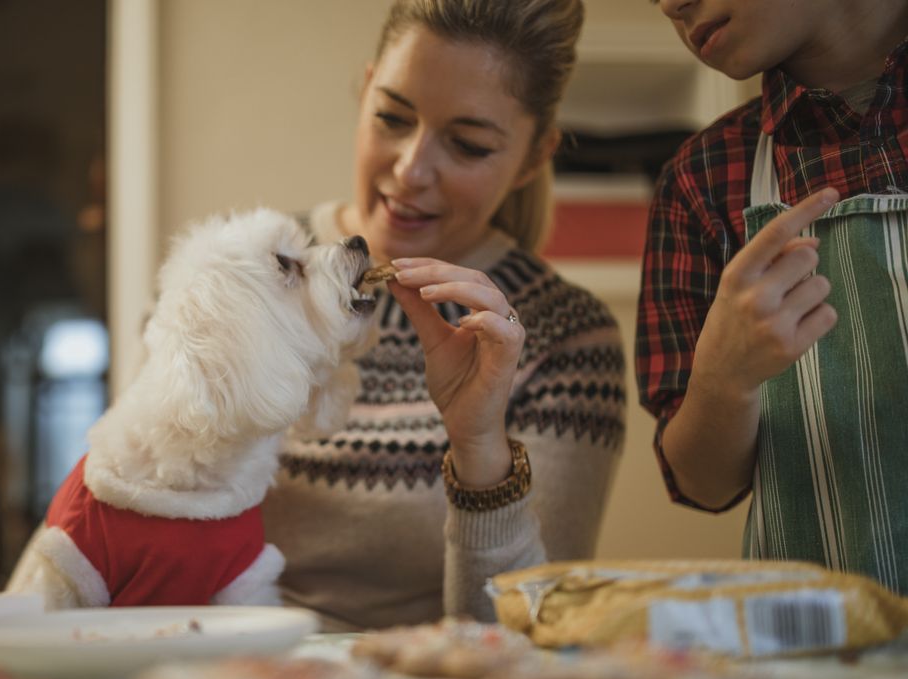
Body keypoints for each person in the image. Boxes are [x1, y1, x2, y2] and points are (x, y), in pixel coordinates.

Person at [263, 0, 626, 631]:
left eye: (467, 145)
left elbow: (530, 626)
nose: (411, 170)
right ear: (366, 87)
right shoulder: (254, 268)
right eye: (391, 117)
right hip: (219, 678)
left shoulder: (566, 334)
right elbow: (130, 493)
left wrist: (478, 443)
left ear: (536, 156)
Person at [638, 0, 908, 594]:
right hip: (824, 661)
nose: (668, 4)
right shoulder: (703, 179)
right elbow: (704, 482)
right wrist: (722, 382)